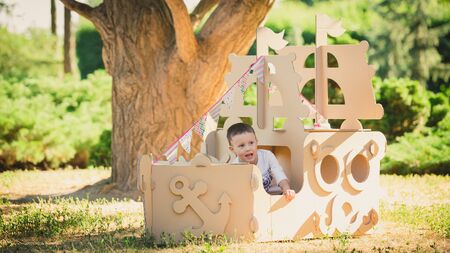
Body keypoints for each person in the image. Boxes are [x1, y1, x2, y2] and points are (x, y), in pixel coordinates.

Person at [227, 122, 295, 201]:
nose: (248, 148)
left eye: (251, 143)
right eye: (242, 145)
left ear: (256, 142)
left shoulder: (267, 156)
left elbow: (279, 173)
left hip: (267, 194)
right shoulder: (234, 167)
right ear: (232, 149)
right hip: (248, 200)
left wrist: (286, 189)